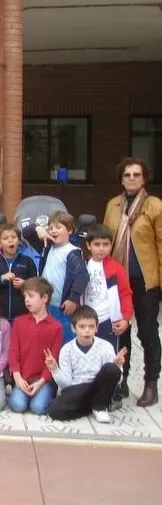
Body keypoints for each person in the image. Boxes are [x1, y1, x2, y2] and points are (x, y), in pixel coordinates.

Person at [103, 156, 162, 406]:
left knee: (147, 331)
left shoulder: (154, 206)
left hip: (145, 281)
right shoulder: (113, 205)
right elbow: (105, 240)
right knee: (120, 330)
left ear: (144, 178)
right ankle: (122, 379)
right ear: (121, 179)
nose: (131, 179)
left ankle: (151, 384)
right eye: (127, 175)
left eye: (136, 174)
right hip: (118, 280)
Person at [46, 306, 125, 423]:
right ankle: (89, 407)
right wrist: (55, 370)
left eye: (91, 326)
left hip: (98, 388)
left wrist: (118, 366)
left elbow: (116, 380)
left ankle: (100, 407)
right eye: (82, 326)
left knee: (111, 368)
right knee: (55, 412)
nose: (87, 330)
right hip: (78, 390)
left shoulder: (105, 346)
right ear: (73, 328)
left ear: (97, 328)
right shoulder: (67, 349)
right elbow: (66, 385)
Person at [8, 278, 63, 414]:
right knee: (18, 405)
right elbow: (13, 351)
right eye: (25, 296)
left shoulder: (56, 327)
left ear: (44, 298)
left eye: (31, 296)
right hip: (23, 377)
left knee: (37, 408)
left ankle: (49, 395)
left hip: (43, 380)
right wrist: (17, 377)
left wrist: (42, 381)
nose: (27, 300)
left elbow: (53, 358)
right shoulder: (19, 322)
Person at [80, 224, 133, 348]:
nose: (101, 248)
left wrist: (126, 318)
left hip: (107, 320)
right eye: (97, 244)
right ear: (88, 245)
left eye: (106, 244)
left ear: (111, 245)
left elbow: (125, 294)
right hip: (85, 319)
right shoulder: (83, 264)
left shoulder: (116, 268)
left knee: (108, 354)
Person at [39, 211, 89, 343]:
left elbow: (82, 276)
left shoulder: (72, 252)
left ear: (70, 230)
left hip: (61, 306)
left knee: (65, 340)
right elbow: (27, 232)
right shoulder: (48, 246)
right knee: (48, 341)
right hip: (44, 304)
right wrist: (39, 230)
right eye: (51, 228)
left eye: (58, 227)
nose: (53, 231)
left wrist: (72, 299)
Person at [0, 223, 38, 322]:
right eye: (5, 238)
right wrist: (1, 279)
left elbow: (37, 285)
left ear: (19, 241)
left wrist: (24, 284)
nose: (10, 240)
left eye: (13, 237)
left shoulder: (27, 261)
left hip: (23, 314)